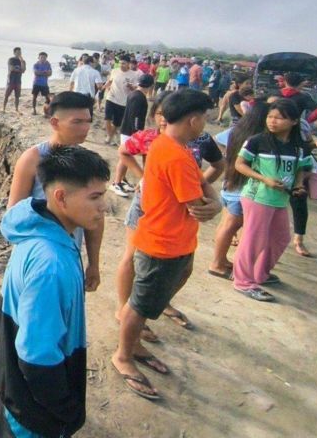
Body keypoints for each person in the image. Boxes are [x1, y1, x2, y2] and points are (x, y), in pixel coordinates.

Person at [0, 146, 110, 438]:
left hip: (16, 394)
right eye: (95, 197)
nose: (103, 207)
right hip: (33, 418)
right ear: (61, 197)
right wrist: (66, 413)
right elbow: (37, 357)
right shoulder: (51, 266)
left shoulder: (39, 232)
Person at [111, 89, 221, 400]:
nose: (206, 124)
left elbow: (203, 184)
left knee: (149, 299)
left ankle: (133, 344)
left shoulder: (172, 146)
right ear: (193, 120)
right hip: (162, 244)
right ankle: (123, 355)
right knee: (139, 305)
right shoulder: (174, 155)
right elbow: (198, 205)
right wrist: (215, 204)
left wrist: (215, 202)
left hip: (175, 240)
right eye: (205, 119)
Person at [8, 92, 103, 292]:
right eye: (77, 122)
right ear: (54, 122)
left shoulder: (86, 163)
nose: (85, 128)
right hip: (40, 263)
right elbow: (14, 216)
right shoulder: (32, 159)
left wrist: (94, 263)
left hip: (70, 255)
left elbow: (95, 217)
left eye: (88, 121)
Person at [231, 99, 312, 302]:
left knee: (281, 238)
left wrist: (299, 185)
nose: (272, 121)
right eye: (270, 117)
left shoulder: (299, 146)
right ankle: (243, 281)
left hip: (280, 199)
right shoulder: (257, 141)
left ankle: (260, 273)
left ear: (294, 121)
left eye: (279, 118)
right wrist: (264, 178)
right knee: (253, 240)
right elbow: (240, 164)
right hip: (258, 196)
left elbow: (301, 169)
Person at [208, 99, 270, 279]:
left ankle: (221, 260)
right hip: (242, 189)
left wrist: (227, 157)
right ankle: (217, 264)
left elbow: (216, 140)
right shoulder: (258, 139)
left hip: (230, 184)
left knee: (225, 225)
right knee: (230, 226)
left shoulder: (237, 131)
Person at [110, 73, 155, 197]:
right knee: (125, 157)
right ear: (150, 85)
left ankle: (122, 180)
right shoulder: (139, 97)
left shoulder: (134, 94)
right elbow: (135, 117)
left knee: (126, 157)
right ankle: (116, 183)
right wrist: (137, 133)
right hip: (130, 131)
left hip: (127, 129)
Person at [102, 55, 141, 145]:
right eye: (120, 63)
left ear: (128, 64)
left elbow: (135, 88)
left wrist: (130, 86)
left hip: (123, 101)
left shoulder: (134, 74)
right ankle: (109, 136)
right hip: (111, 97)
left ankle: (110, 136)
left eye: (123, 63)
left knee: (116, 123)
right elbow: (110, 81)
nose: (121, 65)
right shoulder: (114, 71)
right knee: (107, 118)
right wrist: (104, 87)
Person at [4, 47, 26, 113]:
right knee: (6, 95)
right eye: (17, 52)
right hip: (11, 80)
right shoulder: (11, 59)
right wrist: (19, 69)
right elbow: (12, 68)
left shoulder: (23, 61)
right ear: (14, 53)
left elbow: (23, 70)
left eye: (20, 52)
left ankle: (16, 109)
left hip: (18, 81)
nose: (19, 53)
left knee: (17, 96)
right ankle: (4, 108)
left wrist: (21, 61)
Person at [31, 51, 53, 116]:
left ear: (46, 58)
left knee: (47, 98)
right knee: (34, 97)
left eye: (44, 57)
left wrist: (41, 73)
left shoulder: (48, 65)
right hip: (36, 83)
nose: (43, 59)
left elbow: (50, 74)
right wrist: (45, 73)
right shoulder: (36, 65)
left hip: (44, 84)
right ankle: (34, 109)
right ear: (38, 57)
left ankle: (47, 111)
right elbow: (36, 73)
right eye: (41, 57)